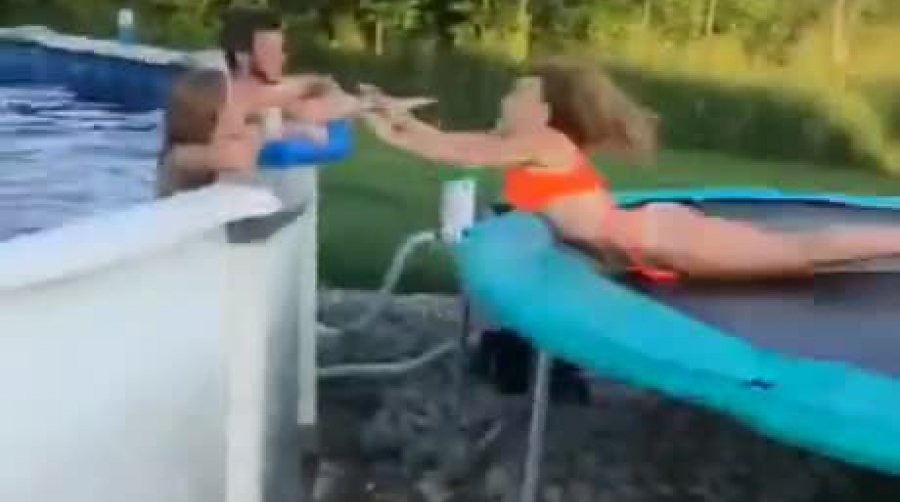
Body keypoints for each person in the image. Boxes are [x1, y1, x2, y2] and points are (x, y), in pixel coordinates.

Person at [359, 58, 900, 280]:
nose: (505, 100)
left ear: (545, 112)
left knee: (797, 254)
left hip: (654, 237)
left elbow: (456, 151)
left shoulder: (543, 142)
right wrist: (383, 118)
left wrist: (394, 122)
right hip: (648, 237)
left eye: (517, 93)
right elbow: (450, 143)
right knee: (795, 257)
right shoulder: (528, 145)